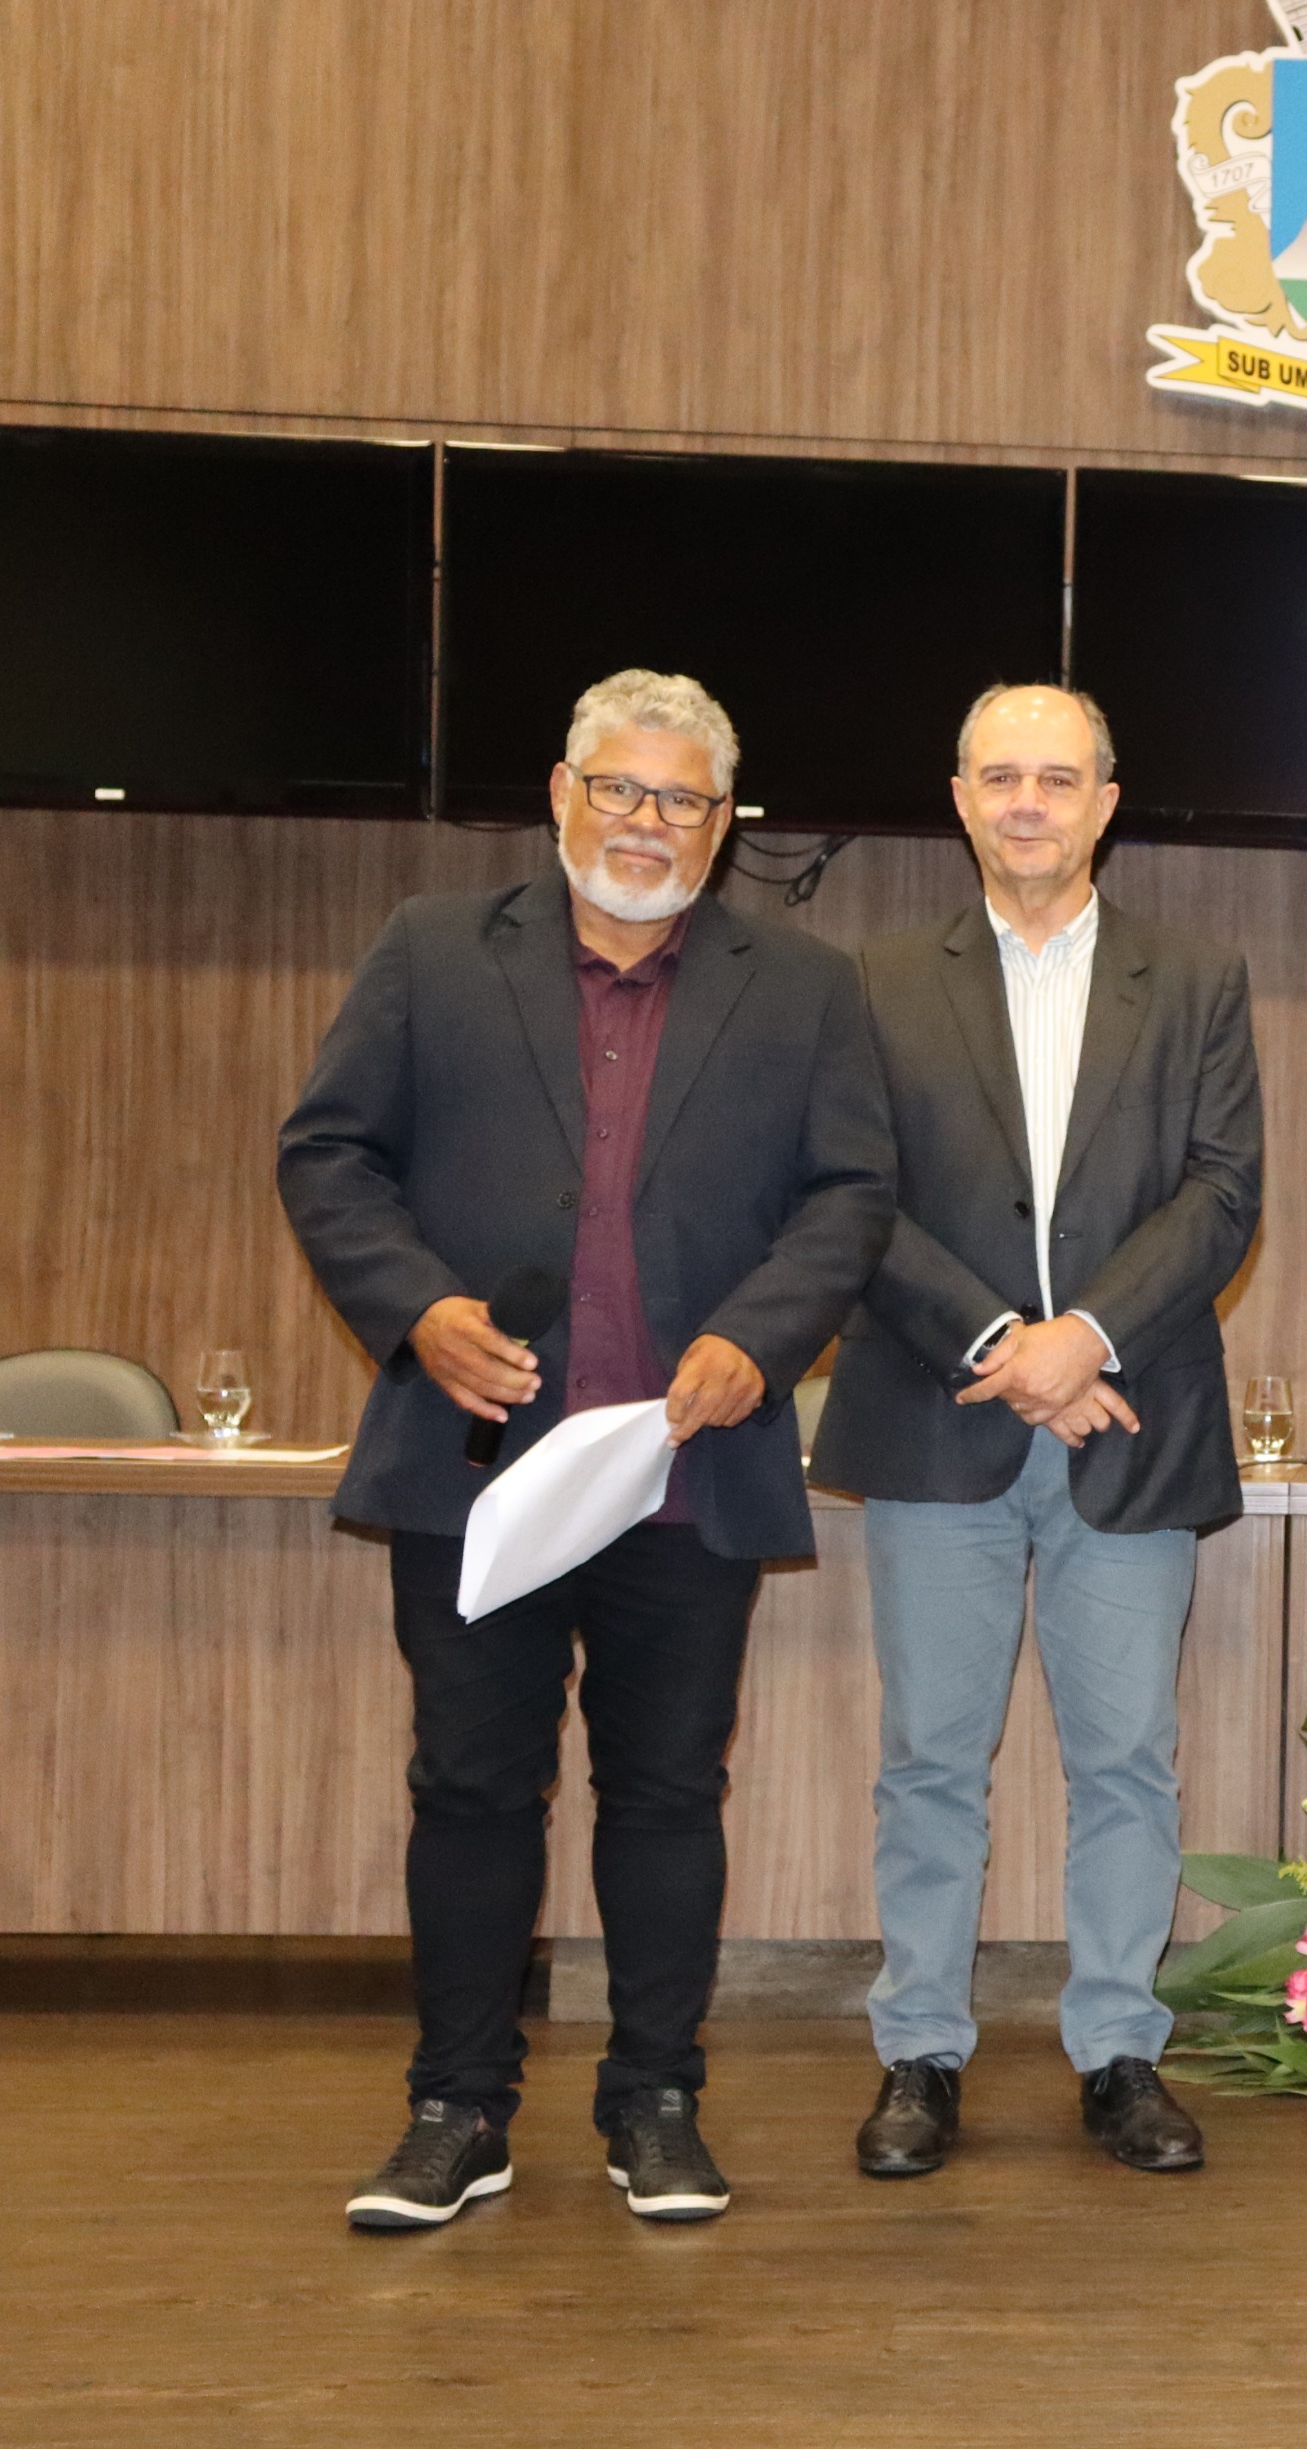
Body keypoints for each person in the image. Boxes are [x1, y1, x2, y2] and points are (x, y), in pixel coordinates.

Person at [280, 668, 893, 2230]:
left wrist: (759, 1340)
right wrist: (417, 1310)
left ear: (723, 823)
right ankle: (456, 2110)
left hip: (682, 1471)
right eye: (620, 788)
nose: (646, 823)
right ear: (562, 794)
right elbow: (329, 1154)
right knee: (471, 1789)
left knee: (669, 1793)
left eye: (682, 799)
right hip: (474, 1468)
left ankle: (656, 2102)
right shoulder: (433, 948)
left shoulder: (805, 985)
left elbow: (851, 1196)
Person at [808, 684, 1265, 2182]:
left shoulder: (1194, 977)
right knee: (929, 1759)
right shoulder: (875, 980)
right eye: (1000, 776)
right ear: (958, 797)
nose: (1027, 803)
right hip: (938, 1414)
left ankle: (1119, 2051)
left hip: (1129, 1425)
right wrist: (1009, 1346)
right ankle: (919, 2053)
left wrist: (1086, 1337)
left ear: (1104, 803)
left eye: (1057, 779)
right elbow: (853, 1193)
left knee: (1127, 1759)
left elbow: (1221, 1191)